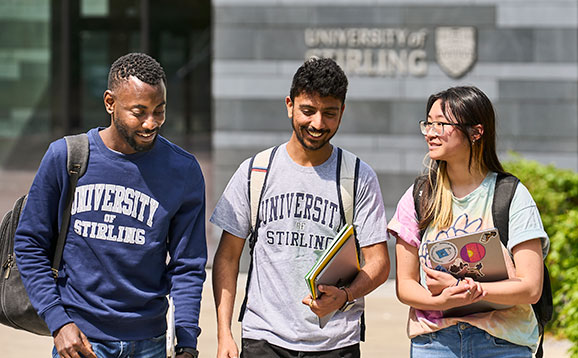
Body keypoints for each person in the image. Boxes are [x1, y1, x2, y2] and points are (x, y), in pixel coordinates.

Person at [14, 53, 206, 358]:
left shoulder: (182, 170)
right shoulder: (66, 158)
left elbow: (188, 265)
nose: (151, 123)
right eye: (139, 112)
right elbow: (29, 244)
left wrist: (186, 342)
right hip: (81, 341)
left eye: (160, 111)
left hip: (150, 343)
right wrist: (58, 322)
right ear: (109, 102)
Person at [210, 57, 390, 358]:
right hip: (264, 340)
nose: (318, 123)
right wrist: (224, 333)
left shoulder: (358, 176)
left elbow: (379, 263)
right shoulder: (255, 171)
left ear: (342, 112)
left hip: (335, 343)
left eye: (329, 113)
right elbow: (227, 257)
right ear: (289, 105)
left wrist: (345, 296)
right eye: (308, 110)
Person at [387, 86, 549, 357]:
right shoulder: (418, 196)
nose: (430, 132)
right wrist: (437, 299)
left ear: (476, 132)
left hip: (502, 343)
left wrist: (467, 289)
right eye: (428, 123)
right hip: (434, 343)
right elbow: (405, 285)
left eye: (441, 124)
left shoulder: (511, 195)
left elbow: (531, 288)